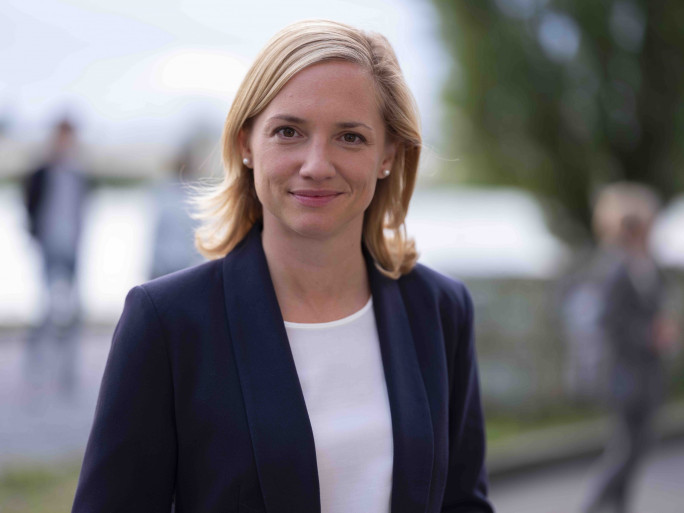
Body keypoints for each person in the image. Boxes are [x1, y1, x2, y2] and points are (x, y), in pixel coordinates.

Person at [72, 20, 494, 513]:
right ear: (246, 144)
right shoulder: (167, 321)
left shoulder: (440, 309)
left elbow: (463, 502)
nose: (316, 165)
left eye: (350, 137)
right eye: (288, 132)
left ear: (388, 155)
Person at [582, 183, 679, 513]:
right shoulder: (613, 265)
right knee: (626, 448)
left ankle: (619, 507)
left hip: (647, 371)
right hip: (624, 373)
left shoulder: (646, 264)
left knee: (639, 445)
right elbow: (610, 322)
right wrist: (648, 335)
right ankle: (592, 506)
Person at [23, 117, 89, 394]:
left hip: (73, 248)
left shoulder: (78, 174)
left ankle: (67, 372)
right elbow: (30, 206)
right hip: (50, 246)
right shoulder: (42, 172)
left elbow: (82, 210)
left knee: (74, 308)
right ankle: (38, 365)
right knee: (47, 307)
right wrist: (36, 237)